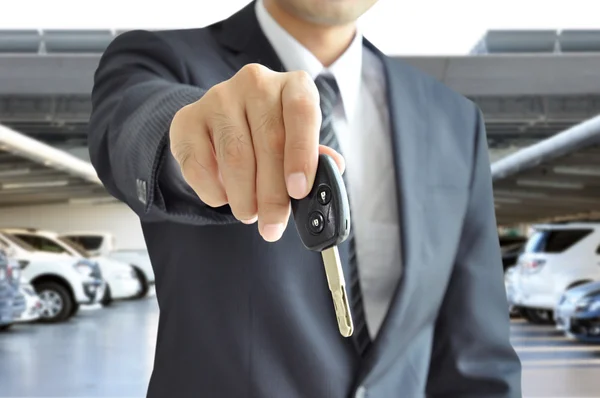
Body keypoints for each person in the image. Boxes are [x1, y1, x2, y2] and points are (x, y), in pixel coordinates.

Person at [88, 0, 522, 396]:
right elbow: (135, 128)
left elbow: (478, 358)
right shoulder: (155, 60)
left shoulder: (454, 119)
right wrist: (200, 140)